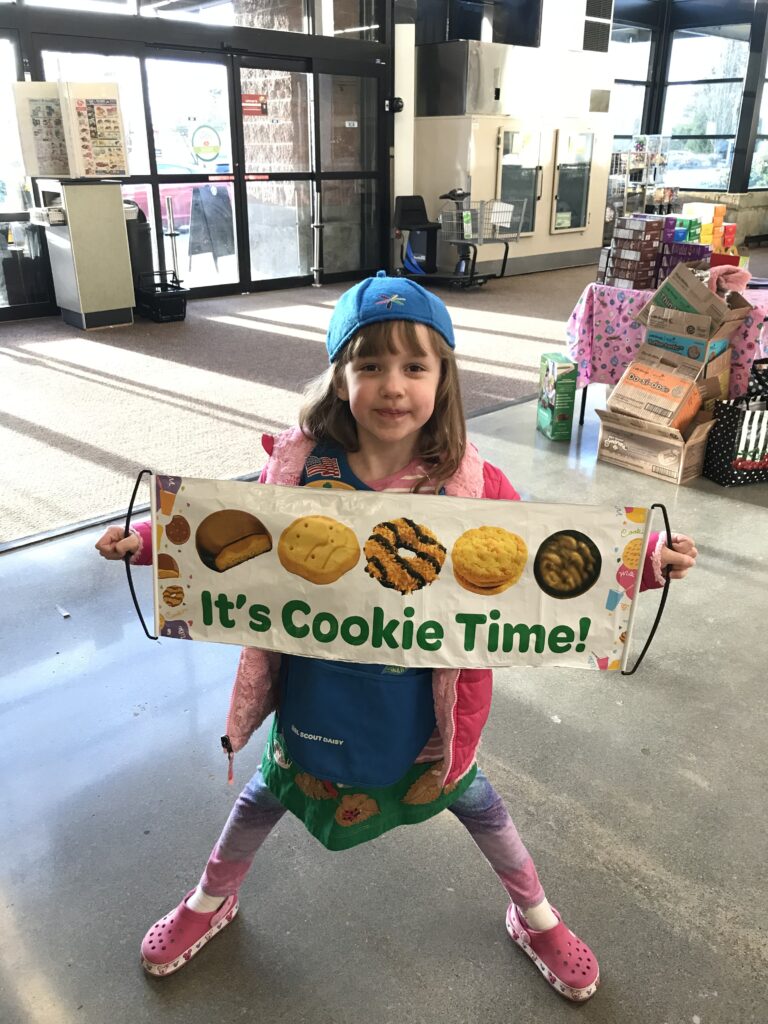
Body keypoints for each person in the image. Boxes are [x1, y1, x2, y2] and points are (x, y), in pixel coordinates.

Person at [96, 272, 698, 1000]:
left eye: (415, 366)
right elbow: (224, 528)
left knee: (479, 806)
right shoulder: (298, 469)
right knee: (265, 795)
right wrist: (145, 538)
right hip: (317, 696)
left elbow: (554, 556)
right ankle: (209, 898)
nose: (392, 386)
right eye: (370, 364)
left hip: (427, 715)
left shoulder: (473, 485)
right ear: (339, 375)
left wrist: (644, 568)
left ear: (443, 378)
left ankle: (534, 914)